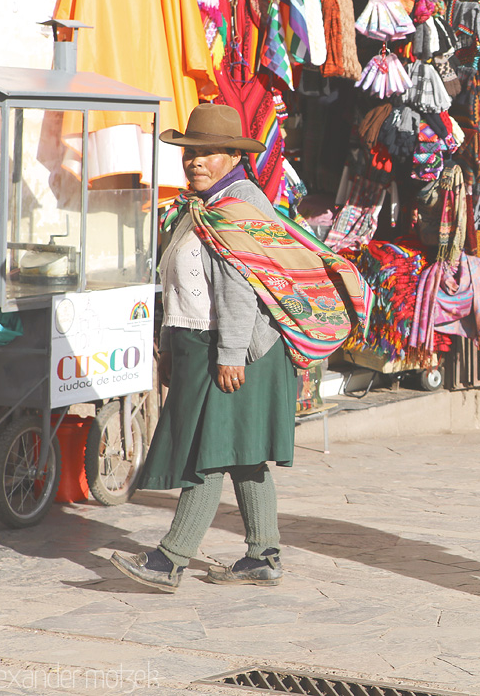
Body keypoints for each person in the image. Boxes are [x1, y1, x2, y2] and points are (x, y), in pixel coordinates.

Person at [111, 104, 297, 592]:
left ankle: (170, 560)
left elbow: (241, 285)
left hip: (238, 352)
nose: (194, 160)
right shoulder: (198, 207)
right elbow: (179, 285)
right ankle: (263, 555)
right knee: (240, 454)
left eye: (207, 152)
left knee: (208, 451)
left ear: (233, 156)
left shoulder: (240, 204)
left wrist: (232, 352)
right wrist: (168, 346)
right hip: (203, 345)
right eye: (189, 151)